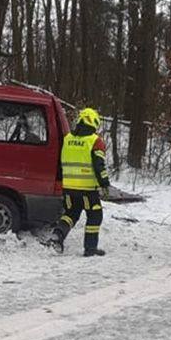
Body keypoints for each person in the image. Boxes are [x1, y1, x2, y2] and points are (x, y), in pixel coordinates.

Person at [49, 107, 111, 256]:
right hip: (87, 189)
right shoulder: (95, 141)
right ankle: (90, 249)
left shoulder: (68, 139)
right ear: (94, 122)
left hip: (69, 188)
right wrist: (105, 184)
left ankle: (58, 234)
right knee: (95, 216)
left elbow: (59, 162)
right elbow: (98, 165)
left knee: (71, 213)